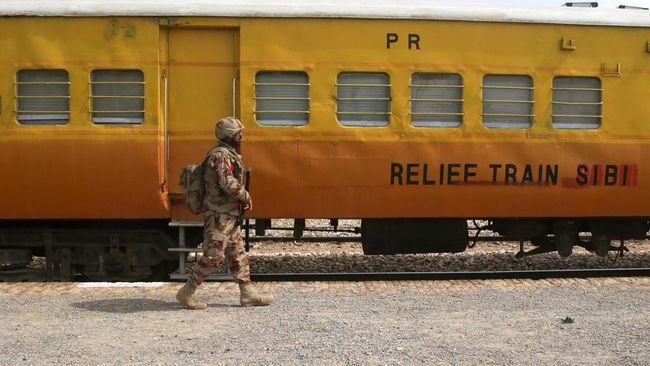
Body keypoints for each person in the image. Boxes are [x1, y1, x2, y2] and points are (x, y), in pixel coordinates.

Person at [176, 116, 273, 309]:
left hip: (228, 213)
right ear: (229, 135)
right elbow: (226, 181)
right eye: (238, 133)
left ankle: (247, 294)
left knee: (237, 253)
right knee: (214, 254)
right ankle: (186, 292)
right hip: (219, 214)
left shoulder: (228, 153)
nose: (241, 135)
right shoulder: (220, 155)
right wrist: (245, 195)